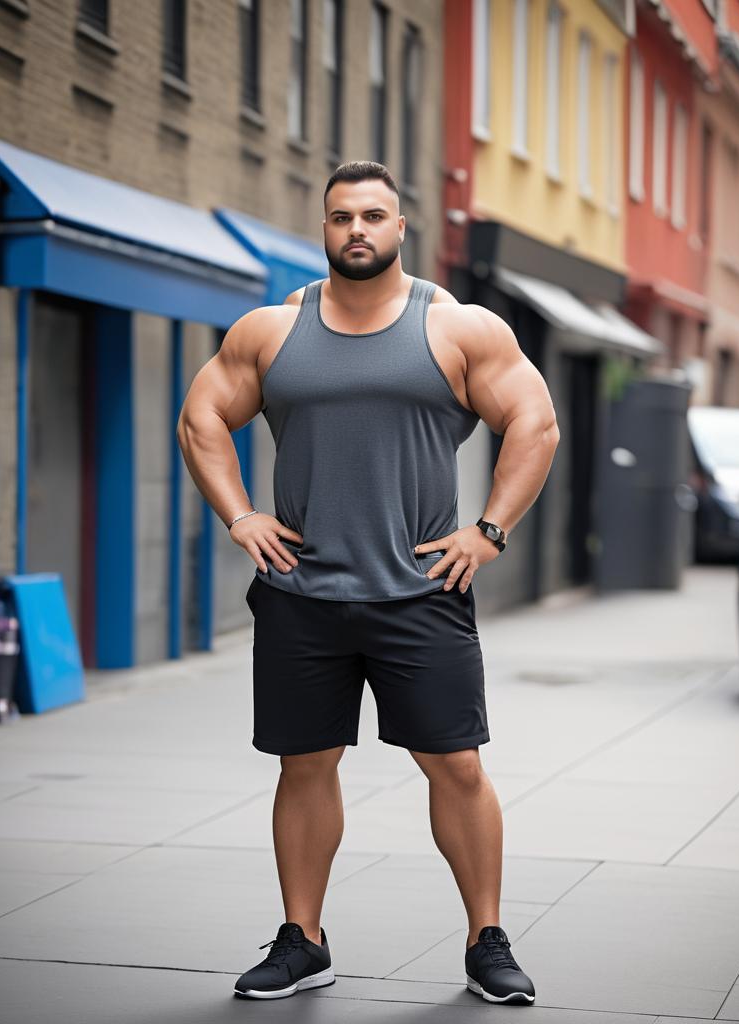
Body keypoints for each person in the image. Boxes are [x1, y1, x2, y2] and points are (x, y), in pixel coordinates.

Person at [177, 161, 559, 1005]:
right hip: (301, 595)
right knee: (303, 766)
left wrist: (489, 530)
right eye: (341, 216)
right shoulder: (273, 332)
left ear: (400, 227)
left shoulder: (458, 328)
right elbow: (201, 415)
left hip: (419, 592)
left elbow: (534, 419)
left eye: (374, 216)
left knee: (456, 767)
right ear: (324, 228)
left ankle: (486, 940)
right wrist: (241, 515)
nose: (357, 229)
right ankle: (302, 940)